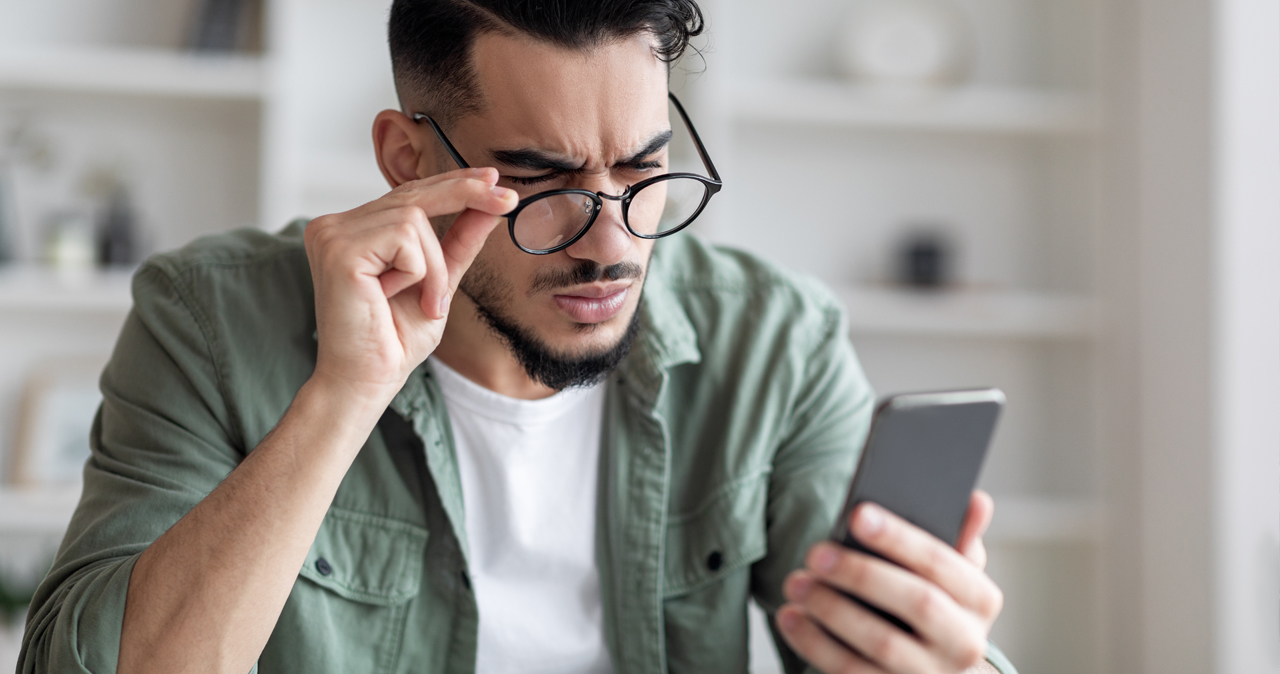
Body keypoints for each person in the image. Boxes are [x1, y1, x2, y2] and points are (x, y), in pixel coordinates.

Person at [19, 1, 1016, 673]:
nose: (612, 242)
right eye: (543, 183)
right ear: (407, 158)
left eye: (642, 170)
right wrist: (342, 393)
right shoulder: (208, 320)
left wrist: (937, 648)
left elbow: (885, 638)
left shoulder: (773, 341)